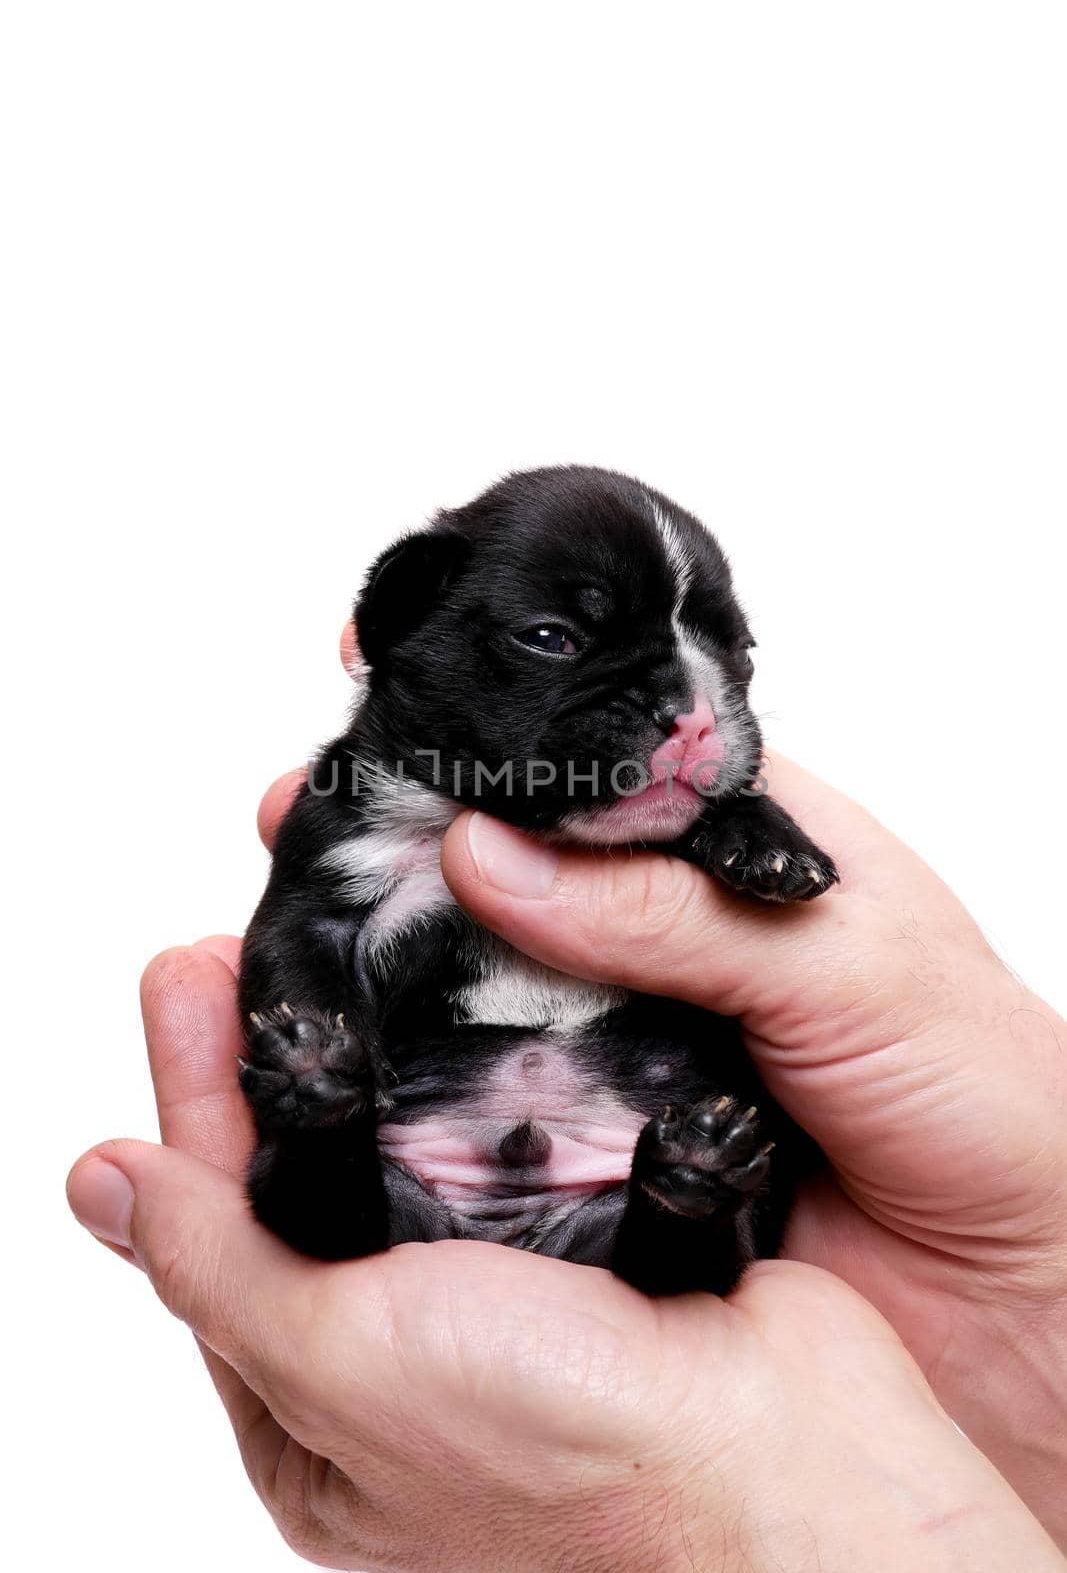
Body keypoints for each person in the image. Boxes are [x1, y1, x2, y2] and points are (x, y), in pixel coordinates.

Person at [68, 626, 1067, 1571]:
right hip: (408, 1158)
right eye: (554, 636)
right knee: (315, 1204)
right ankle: (321, 1119)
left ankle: (683, 1199)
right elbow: (310, 934)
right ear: (409, 634)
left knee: (690, 1233)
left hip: (625, 1160)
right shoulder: (364, 799)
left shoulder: (666, 787)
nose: (686, 695)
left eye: (722, 647)